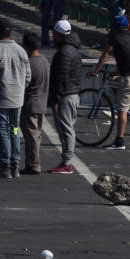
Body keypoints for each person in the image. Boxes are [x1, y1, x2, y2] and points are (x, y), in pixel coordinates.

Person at [0, 18, 31, 179]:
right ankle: (15, 164)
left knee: (2, 132)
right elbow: (28, 76)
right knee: (14, 130)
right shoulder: (21, 51)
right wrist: (19, 89)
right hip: (17, 100)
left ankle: (5, 165)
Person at [88, 14, 130, 150]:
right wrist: (117, 73)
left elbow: (105, 54)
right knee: (119, 89)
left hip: (129, 77)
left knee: (122, 110)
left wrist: (96, 71)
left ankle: (120, 141)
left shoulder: (115, 38)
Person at [47, 19, 81, 174]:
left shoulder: (64, 52)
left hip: (65, 95)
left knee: (66, 128)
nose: (52, 35)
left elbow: (61, 77)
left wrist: (54, 99)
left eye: (54, 32)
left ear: (59, 34)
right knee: (68, 127)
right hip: (71, 93)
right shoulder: (72, 49)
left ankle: (67, 162)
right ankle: (66, 160)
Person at [19, 31, 49, 175]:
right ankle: (31, 162)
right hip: (42, 102)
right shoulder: (44, 61)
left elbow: (24, 84)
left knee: (31, 136)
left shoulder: (29, 63)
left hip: (30, 103)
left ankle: (33, 164)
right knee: (36, 134)